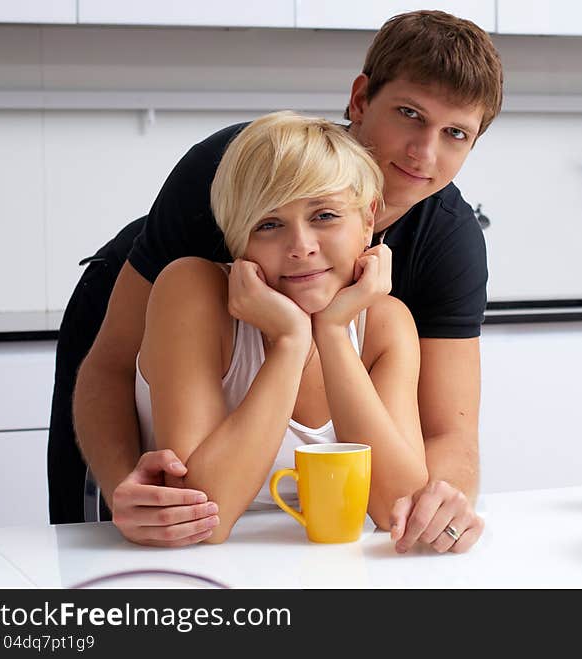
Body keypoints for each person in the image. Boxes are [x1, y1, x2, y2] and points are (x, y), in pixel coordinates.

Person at [50, 9, 502, 553]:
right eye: (409, 114)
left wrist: (439, 504)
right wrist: (126, 486)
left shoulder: (443, 245)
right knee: (123, 528)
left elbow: (448, 431)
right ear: (360, 100)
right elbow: (111, 366)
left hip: (305, 359)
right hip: (140, 319)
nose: (423, 152)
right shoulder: (235, 171)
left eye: (455, 133)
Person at [134, 112, 428, 544]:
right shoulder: (191, 291)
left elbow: (399, 510)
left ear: (369, 220)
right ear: (238, 240)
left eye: (325, 215)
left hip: (322, 570)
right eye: (269, 225)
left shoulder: (385, 323)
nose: (301, 248)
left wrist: (331, 333)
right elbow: (200, 516)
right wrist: (292, 341)